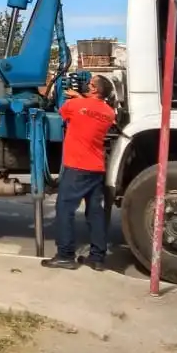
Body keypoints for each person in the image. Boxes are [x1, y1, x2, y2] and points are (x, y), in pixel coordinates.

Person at [41, 74, 117, 272]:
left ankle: (65, 255)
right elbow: (92, 111)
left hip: (76, 167)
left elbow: (61, 112)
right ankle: (97, 258)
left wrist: (70, 96)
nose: (86, 84)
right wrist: (82, 99)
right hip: (96, 168)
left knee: (65, 210)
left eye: (90, 83)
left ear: (93, 89)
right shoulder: (109, 112)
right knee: (95, 213)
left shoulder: (74, 106)